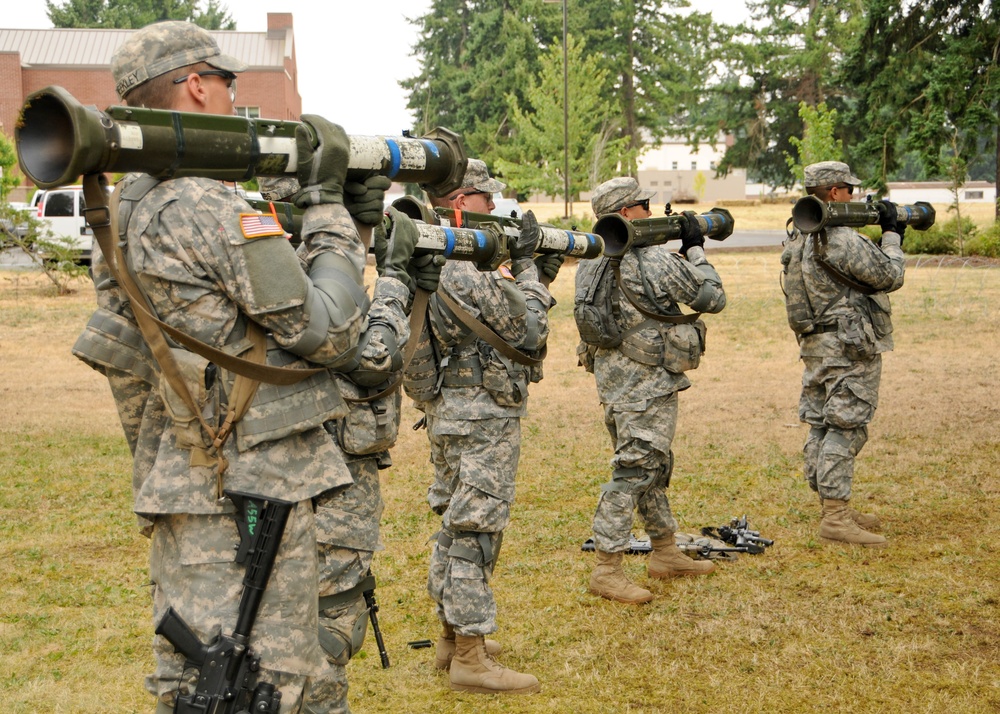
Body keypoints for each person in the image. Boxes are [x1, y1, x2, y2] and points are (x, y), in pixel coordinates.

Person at [72, 20, 419, 712]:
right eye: (228, 82)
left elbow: (128, 359)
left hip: (184, 476)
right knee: (267, 681)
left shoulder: (129, 205)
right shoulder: (204, 201)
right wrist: (328, 214)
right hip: (254, 487)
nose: (237, 97)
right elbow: (332, 331)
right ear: (197, 85)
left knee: (195, 679)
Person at [256, 175, 441, 713]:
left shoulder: (253, 251)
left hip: (270, 469)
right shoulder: (308, 269)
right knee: (332, 619)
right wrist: (398, 282)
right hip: (333, 472)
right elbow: (373, 355)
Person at [409, 159, 561, 694]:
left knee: (455, 519)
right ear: (457, 202)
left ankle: (452, 637)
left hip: (451, 409)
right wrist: (528, 270)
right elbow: (530, 326)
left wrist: (530, 274)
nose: (493, 207)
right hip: (481, 414)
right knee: (477, 524)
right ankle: (471, 657)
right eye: (483, 197)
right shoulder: (461, 264)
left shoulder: (428, 253)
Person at [578, 177, 726, 605]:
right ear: (626, 212)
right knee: (634, 472)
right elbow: (713, 297)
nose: (650, 210)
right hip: (647, 383)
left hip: (615, 383)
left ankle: (664, 552)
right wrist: (696, 250)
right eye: (644, 204)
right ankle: (607, 568)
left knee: (650, 466)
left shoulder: (592, 258)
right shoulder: (654, 260)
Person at [780, 161, 905, 548]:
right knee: (847, 426)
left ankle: (833, 506)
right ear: (834, 193)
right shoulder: (842, 239)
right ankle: (835, 516)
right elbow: (890, 276)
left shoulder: (797, 238)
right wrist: (892, 235)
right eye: (848, 190)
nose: (853, 196)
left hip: (815, 345)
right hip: (848, 347)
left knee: (821, 424)